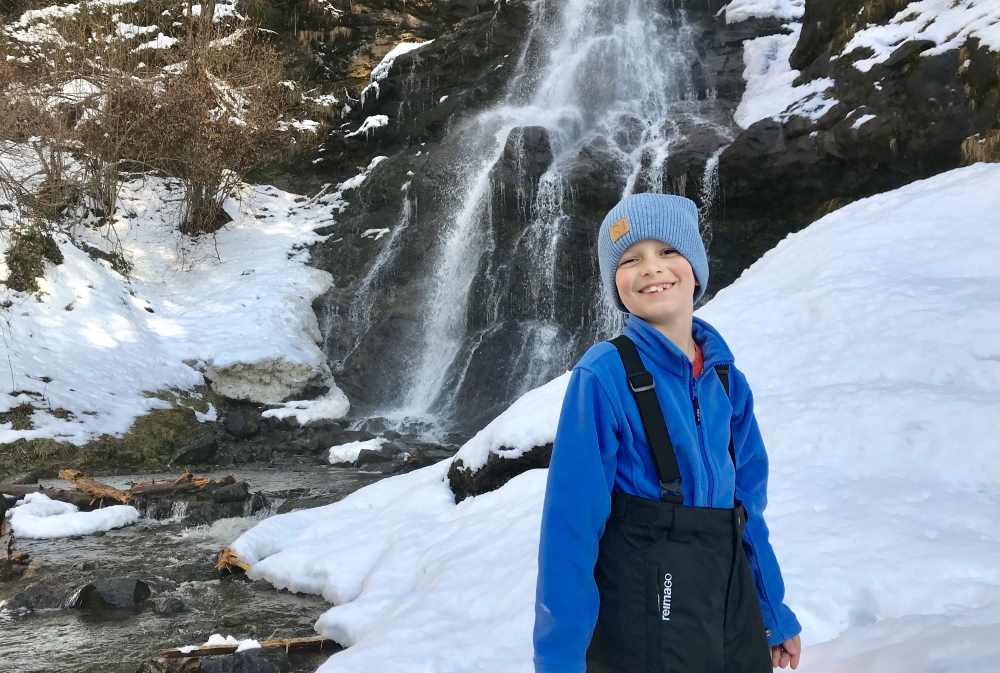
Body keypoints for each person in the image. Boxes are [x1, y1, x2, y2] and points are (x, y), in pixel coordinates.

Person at [533, 193, 802, 673]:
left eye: (668, 252)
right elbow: (570, 527)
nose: (651, 269)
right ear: (615, 283)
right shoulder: (603, 376)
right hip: (647, 607)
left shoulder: (727, 380)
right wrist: (560, 658)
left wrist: (772, 614)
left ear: (695, 267)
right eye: (631, 259)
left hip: (730, 601)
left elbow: (747, 510)